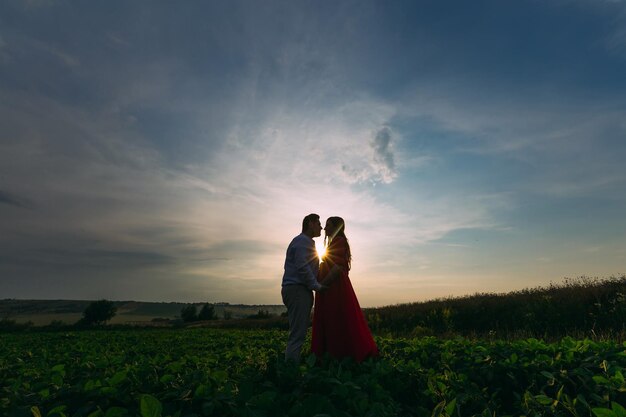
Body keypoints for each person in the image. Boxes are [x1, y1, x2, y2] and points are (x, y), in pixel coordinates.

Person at [311, 216, 379, 362]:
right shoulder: (334, 242)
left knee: (338, 318)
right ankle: (334, 353)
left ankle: (341, 353)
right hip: (332, 287)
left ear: (336, 227)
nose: (325, 228)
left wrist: (323, 284)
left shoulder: (339, 241)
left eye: (328, 225)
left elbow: (337, 267)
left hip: (336, 287)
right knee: (334, 318)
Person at [281, 213, 327, 363]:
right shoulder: (303, 242)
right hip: (298, 290)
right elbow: (302, 266)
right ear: (310, 224)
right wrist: (316, 286)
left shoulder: (303, 242)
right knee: (298, 334)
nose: (321, 227)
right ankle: (290, 372)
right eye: (318, 223)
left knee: (297, 331)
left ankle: (290, 367)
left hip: (296, 289)